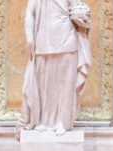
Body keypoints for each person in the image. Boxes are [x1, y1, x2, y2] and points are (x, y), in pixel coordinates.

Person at [15, 0, 91, 138]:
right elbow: (30, 13)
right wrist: (29, 38)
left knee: (65, 85)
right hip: (43, 41)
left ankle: (61, 121)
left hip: (67, 41)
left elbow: (79, 10)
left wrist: (83, 19)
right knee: (44, 85)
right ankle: (44, 121)